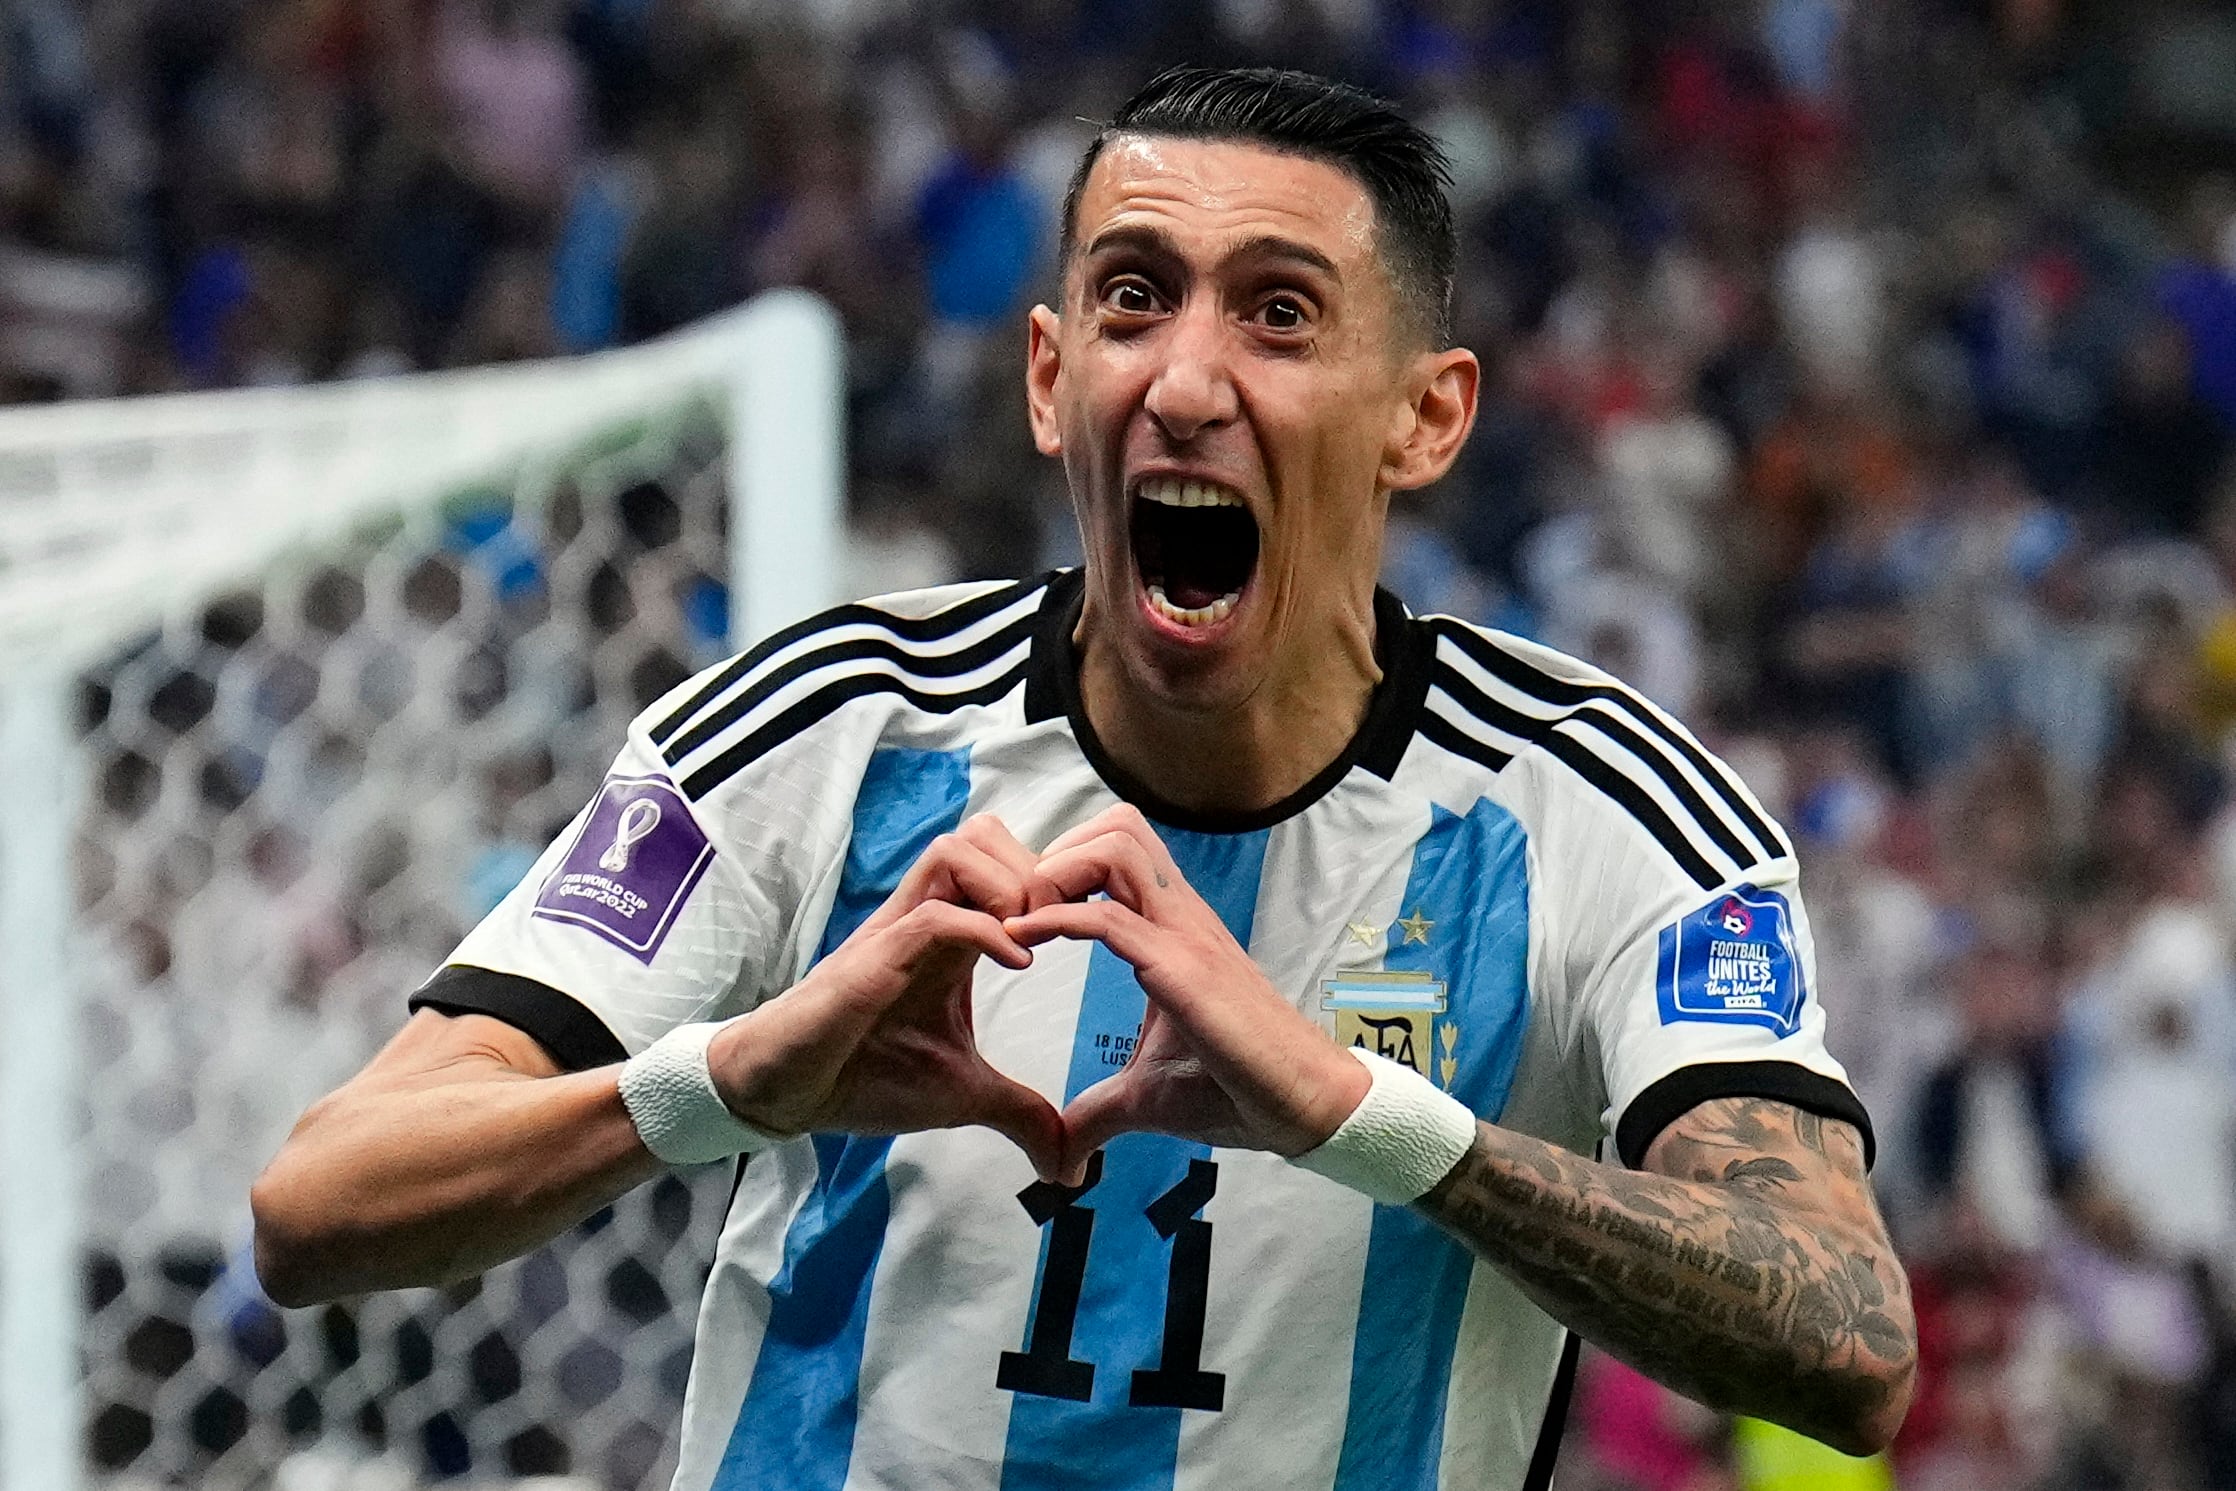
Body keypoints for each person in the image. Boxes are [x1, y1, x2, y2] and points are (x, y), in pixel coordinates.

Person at [251, 67, 1916, 1490]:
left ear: (1428, 416)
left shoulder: (1602, 812)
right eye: (1133, 300)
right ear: (1052, 379)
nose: (1185, 385)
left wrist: (1363, 1118)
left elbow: (1844, 1337)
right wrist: (738, 1076)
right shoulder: (833, 734)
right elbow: (319, 1203)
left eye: (1278, 312)